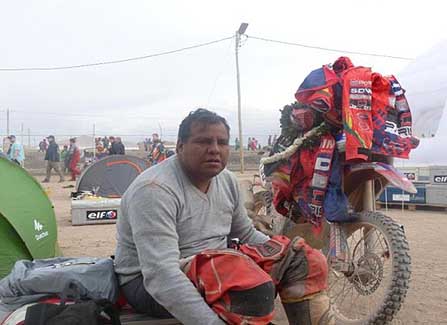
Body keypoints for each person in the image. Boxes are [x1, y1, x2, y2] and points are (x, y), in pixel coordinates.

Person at [115, 108, 332, 325]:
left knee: (305, 259)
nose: (214, 150)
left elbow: (246, 234)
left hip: (214, 264)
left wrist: (283, 257)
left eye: (222, 142)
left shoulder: (226, 181)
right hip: (146, 284)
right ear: (180, 146)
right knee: (249, 283)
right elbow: (161, 275)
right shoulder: (155, 190)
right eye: (203, 141)